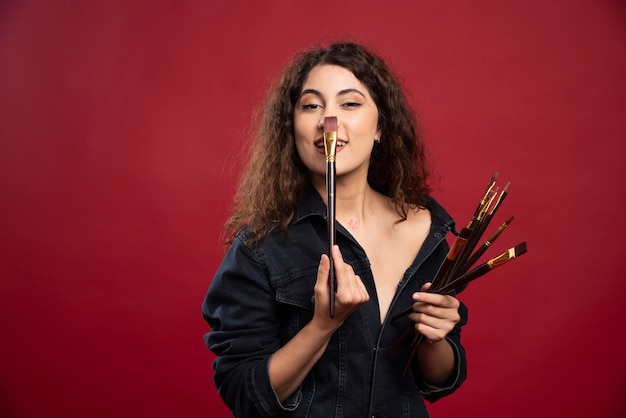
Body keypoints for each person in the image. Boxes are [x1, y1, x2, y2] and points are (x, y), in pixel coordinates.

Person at [202, 41, 468, 417]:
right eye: (311, 105)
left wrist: (434, 338)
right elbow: (246, 395)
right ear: (291, 128)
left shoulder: (429, 232)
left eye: (350, 103)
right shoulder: (261, 247)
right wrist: (322, 327)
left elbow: (439, 380)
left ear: (380, 127)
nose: (329, 119)